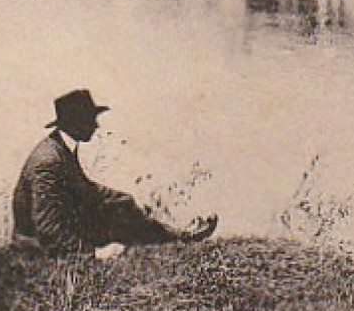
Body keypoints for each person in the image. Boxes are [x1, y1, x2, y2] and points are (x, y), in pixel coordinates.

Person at [12, 89, 218, 255]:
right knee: (116, 221)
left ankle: (180, 236)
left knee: (122, 206)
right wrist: (94, 254)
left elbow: (84, 188)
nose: (96, 125)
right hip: (36, 247)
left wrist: (121, 198)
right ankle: (181, 237)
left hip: (57, 232)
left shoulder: (60, 149)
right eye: (90, 119)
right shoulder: (48, 161)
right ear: (75, 123)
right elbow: (47, 228)